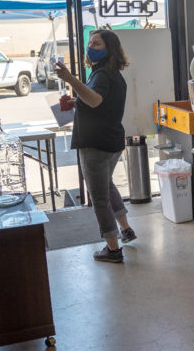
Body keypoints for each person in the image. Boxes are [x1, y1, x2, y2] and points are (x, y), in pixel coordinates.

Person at [54, 30, 136, 263]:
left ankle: (112, 249)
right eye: (90, 42)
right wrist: (76, 101)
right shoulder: (110, 74)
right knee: (107, 186)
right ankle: (126, 229)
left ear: (109, 49)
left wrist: (70, 79)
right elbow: (98, 102)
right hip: (111, 141)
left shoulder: (101, 75)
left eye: (97, 43)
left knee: (99, 198)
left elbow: (95, 100)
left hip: (96, 144)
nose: (91, 46)